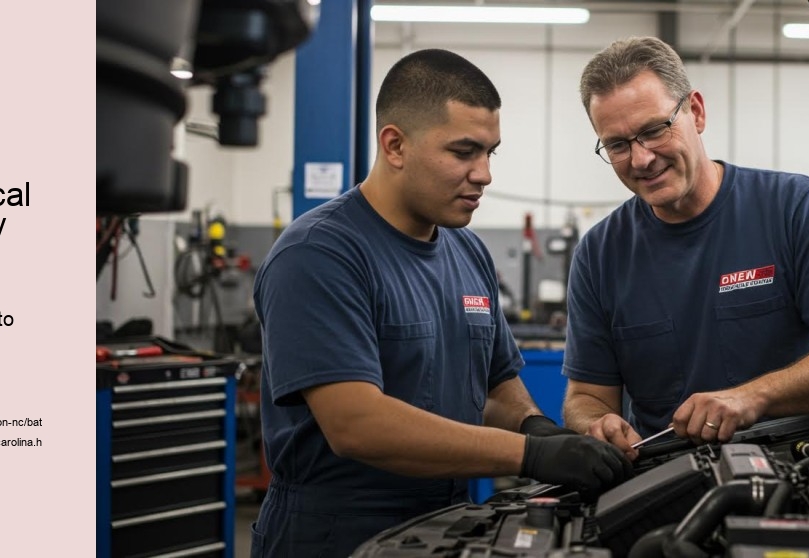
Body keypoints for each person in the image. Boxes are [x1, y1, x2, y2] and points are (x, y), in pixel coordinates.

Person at [251, 49, 632, 558]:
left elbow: (496, 386)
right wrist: (531, 453)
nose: (484, 175)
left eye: (490, 152)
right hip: (335, 529)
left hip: (443, 524)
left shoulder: (465, 249)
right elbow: (356, 426)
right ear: (395, 145)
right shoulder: (319, 254)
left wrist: (534, 424)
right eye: (463, 151)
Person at [561, 37, 809, 455]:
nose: (641, 159)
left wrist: (752, 396)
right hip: (664, 480)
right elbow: (586, 395)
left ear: (695, 112)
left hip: (795, 473)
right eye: (618, 145)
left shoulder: (794, 207)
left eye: (654, 130)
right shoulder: (599, 253)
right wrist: (597, 424)